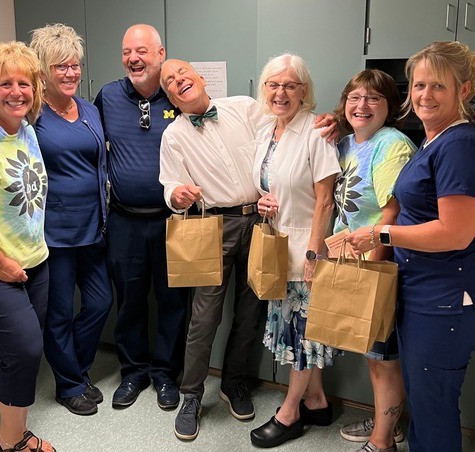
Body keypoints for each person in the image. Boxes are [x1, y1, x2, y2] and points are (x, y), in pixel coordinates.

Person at [347, 41, 475, 452]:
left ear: (464, 90)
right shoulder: (433, 140)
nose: (425, 95)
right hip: (420, 291)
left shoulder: (458, 144)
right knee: (423, 402)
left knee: (434, 409)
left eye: (438, 86)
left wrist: (381, 234)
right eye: (419, 85)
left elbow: (456, 232)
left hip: (441, 299)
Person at [159, 58, 267, 441]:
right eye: (169, 82)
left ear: (200, 78)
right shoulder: (173, 135)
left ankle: (234, 382)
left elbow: (283, 134)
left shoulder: (245, 108)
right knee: (204, 318)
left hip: (260, 220)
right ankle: (191, 396)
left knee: (251, 310)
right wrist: (177, 195)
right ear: (170, 96)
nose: (178, 81)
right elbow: (170, 184)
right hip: (211, 226)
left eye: (182, 74)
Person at [247, 54, 341, 448]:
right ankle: (316, 401)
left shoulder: (316, 132)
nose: (280, 93)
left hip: (306, 251)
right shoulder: (268, 130)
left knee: (302, 337)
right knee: (300, 333)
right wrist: (263, 201)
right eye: (273, 85)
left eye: (290, 85)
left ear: (304, 91)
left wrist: (314, 256)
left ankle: (290, 414)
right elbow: (270, 184)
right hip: (278, 249)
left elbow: (325, 201)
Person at [94, 24, 189, 411]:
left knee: (172, 301)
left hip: (173, 221)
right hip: (125, 222)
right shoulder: (108, 96)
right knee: (129, 300)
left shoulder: (179, 93)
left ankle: (165, 374)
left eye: (142, 51)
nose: (133, 59)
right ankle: (133, 372)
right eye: (126, 52)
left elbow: (218, 124)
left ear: (161, 54)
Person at [29, 23, 113, 416]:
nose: (70, 72)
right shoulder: (33, 116)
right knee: (59, 313)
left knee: (100, 302)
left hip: (94, 228)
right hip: (55, 234)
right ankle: (69, 385)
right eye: (60, 66)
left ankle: (76, 370)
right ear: (43, 71)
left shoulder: (90, 110)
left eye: (75, 64)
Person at [0, 41, 55, 452]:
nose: (16, 92)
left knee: (20, 354)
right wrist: (0, 263)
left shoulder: (26, 130)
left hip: (35, 263)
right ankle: (10, 441)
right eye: (5, 83)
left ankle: (16, 433)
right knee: (24, 350)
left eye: (24, 83)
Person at [333, 69, 416, 452]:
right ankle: (389, 422)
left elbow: (391, 214)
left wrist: (373, 274)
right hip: (351, 261)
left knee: (383, 359)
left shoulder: (391, 145)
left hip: (378, 265)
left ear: (389, 106)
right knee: (374, 355)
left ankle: (382, 441)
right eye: (355, 97)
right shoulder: (346, 143)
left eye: (373, 98)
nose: (361, 105)